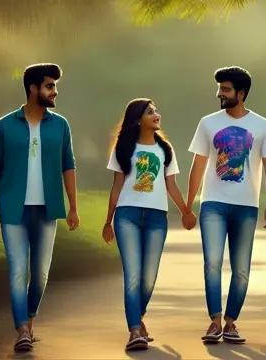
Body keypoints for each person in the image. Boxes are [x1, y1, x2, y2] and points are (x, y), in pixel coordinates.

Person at [0, 63, 80, 352]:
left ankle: (30, 317)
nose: (54, 91)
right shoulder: (3, 126)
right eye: (49, 85)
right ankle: (22, 329)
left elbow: (69, 166)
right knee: (17, 270)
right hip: (13, 208)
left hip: (47, 208)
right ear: (33, 89)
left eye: (54, 85)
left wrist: (73, 207)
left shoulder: (61, 125)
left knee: (40, 273)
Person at [185, 66, 266, 345]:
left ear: (241, 93)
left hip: (246, 206)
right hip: (212, 203)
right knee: (212, 262)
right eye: (219, 89)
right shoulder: (207, 123)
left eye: (225, 90)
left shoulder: (262, 125)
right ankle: (214, 321)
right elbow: (198, 165)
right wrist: (189, 204)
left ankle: (231, 322)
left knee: (241, 268)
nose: (219, 94)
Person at [101, 98, 196, 351]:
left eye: (156, 111)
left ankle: (138, 317)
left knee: (149, 278)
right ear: (137, 119)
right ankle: (134, 331)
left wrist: (186, 211)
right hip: (127, 215)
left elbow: (171, 185)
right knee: (132, 276)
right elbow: (117, 187)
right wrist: (108, 221)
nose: (157, 115)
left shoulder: (164, 149)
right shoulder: (122, 149)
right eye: (150, 112)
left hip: (156, 217)